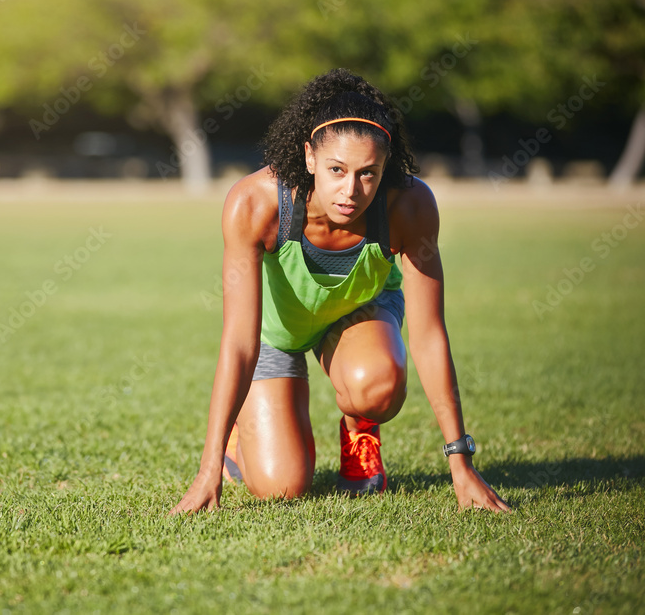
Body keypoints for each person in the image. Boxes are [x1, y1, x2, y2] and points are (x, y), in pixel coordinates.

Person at [170, 68, 510, 514]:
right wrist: (208, 467)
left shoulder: (410, 206)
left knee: (378, 385)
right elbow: (238, 341)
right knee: (280, 487)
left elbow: (428, 336)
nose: (351, 190)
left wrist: (461, 464)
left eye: (368, 173)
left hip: (359, 317)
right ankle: (241, 437)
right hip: (278, 333)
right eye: (336, 170)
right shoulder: (255, 203)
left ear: (385, 167)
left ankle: (360, 430)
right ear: (309, 157)